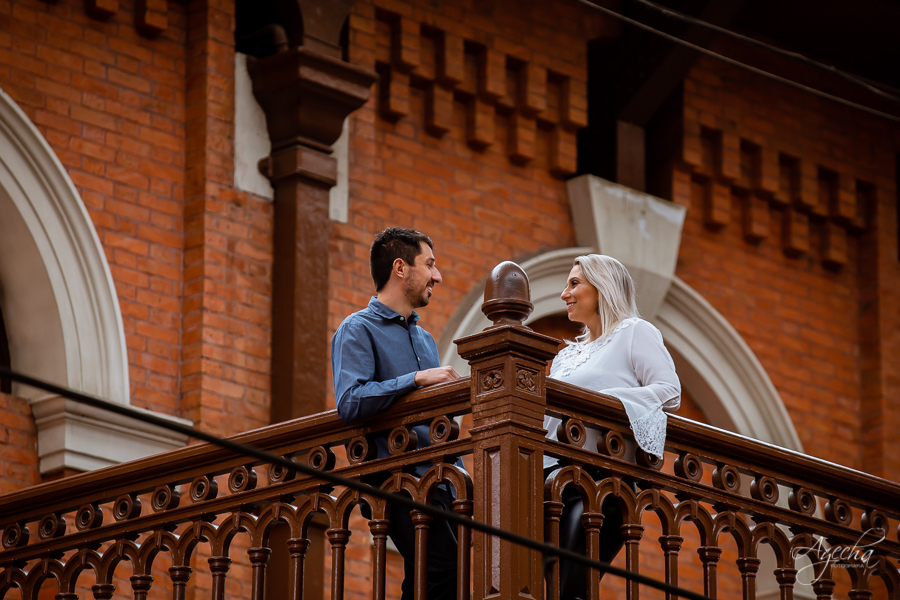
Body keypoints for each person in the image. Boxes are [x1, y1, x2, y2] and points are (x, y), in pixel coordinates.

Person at [331, 227, 461, 600]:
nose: (437, 276)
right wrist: (415, 378)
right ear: (400, 268)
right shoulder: (356, 329)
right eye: (430, 265)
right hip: (393, 478)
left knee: (431, 578)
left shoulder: (425, 340)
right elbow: (350, 401)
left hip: (439, 479)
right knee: (442, 567)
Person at [543, 254, 681, 600]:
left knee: (569, 585)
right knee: (546, 579)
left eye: (574, 284)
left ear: (602, 288)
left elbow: (670, 392)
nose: (565, 294)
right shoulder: (565, 355)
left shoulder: (634, 332)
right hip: (553, 478)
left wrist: (607, 401)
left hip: (602, 481)